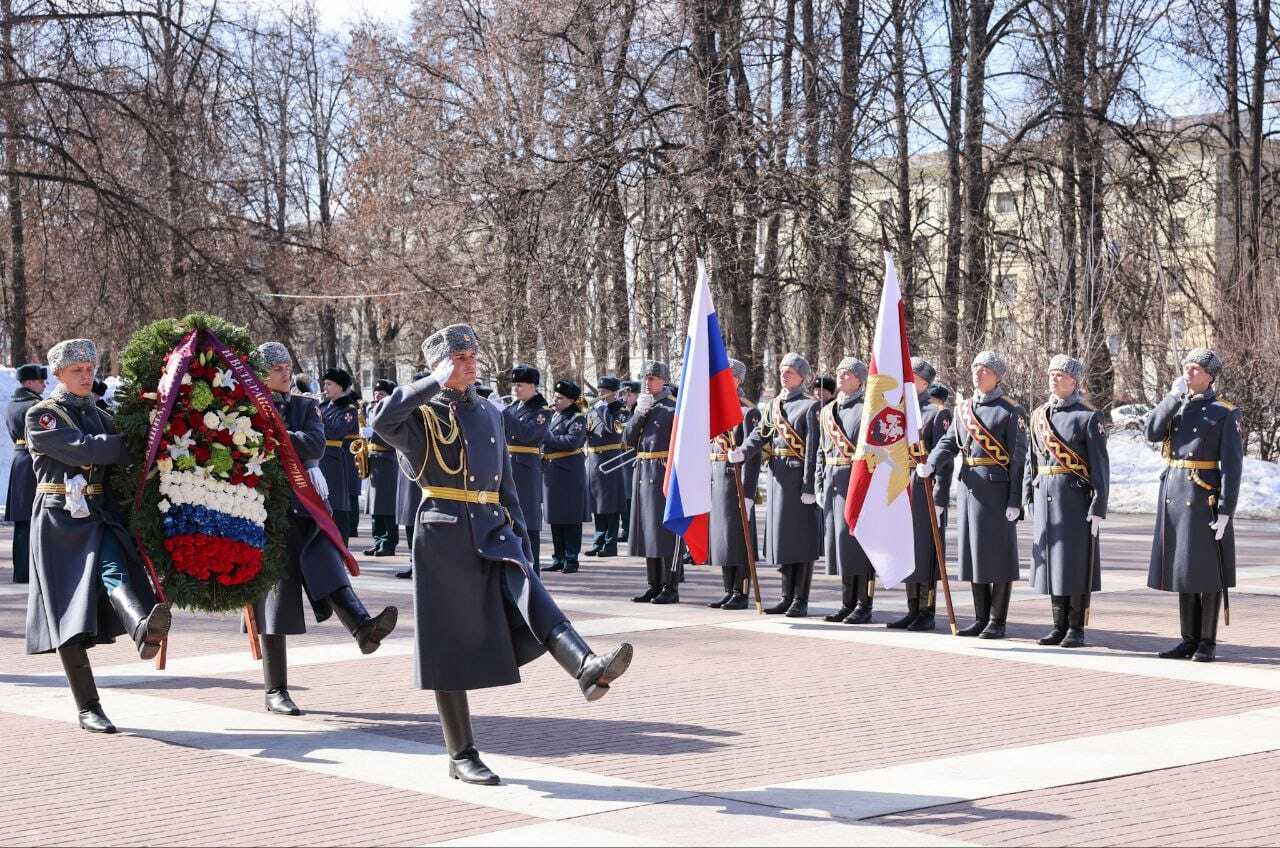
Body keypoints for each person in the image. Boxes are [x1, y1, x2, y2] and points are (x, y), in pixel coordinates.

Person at [369, 324, 633, 785]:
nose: (470, 364)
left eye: (472, 356)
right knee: (447, 642)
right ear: (440, 365)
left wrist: (524, 541)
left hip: (493, 524)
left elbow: (504, 481)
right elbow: (381, 421)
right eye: (460, 358)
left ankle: (585, 667)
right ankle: (461, 753)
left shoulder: (489, 412)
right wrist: (431, 381)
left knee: (529, 590)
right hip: (443, 531)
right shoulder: (421, 414)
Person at [24, 339, 172, 733]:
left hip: (97, 513)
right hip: (58, 520)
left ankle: (143, 629)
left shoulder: (101, 414)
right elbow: (84, 450)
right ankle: (88, 707)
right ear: (59, 374)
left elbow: (119, 460)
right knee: (67, 613)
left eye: (90, 369)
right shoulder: (43, 415)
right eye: (77, 370)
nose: (86, 375)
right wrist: (137, 443)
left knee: (113, 568)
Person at [254, 343, 399, 715]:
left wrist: (277, 436)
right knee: (275, 600)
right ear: (262, 374)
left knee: (328, 567)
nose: (286, 373)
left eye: (287, 366)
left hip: (306, 510)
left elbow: (315, 444)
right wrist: (287, 439)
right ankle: (275, 689)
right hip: (266, 514)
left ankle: (363, 628)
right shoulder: (249, 407)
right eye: (277, 368)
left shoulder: (304, 406)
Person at [919, 350, 1027, 638]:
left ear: (997, 376)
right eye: (976, 368)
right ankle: (981, 617)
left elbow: (1018, 460)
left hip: (997, 491)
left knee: (999, 556)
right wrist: (932, 461)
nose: (978, 373)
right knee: (974, 554)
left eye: (985, 370)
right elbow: (949, 442)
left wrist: (1015, 500)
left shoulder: (1010, 410)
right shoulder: (964, 409)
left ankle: (997, 620)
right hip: (970, 488)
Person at [1146, 348, 1241, 663]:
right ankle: (1188, 639)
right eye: (1186, 366)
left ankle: (1206, 642)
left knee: (1208, 571)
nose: (1188, 372)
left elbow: (1232, 467)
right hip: (1175, 494)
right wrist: (1171, 399)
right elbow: (1151, 432)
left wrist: (1226, 510)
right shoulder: (1178, 404)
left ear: (1210, 376)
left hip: (1203, 498)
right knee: (1183, 569)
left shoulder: (1224, 412)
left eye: (1196, 368)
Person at [1023, 355, 1109, 648]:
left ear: (1074, 380)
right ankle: (1058, 626)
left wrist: (1099, 506)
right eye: (1051, 374)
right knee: (1052, 564)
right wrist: (1027, 494)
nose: (1054, 378)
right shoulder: (1039, 415)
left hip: (1074, 499)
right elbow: (1031, 461)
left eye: (1060, 374)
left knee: (1074, 563)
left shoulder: (1088, 417)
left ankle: (1076, 627)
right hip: (1045, 497)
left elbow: (1100, 466)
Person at [732, 352, 822, 617]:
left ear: (802, 377)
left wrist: (810, 486)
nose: (784, 375)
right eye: (782, 370)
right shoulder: (773, 405)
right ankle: (786, 596)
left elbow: (813, 449)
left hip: (798, 480)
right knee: (783, 540)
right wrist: (743, 451)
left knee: (801, 541)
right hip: (778, 478)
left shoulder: (810, 406)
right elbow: (760, 434)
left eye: (789, 371)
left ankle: (800, 599)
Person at [813, 357, 877, 624]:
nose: (841, 376)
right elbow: (821, 450)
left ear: (860, 380)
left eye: (848, 373)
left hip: (856, 482)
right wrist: (818, 482)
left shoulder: (867, 409)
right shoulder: (828, 411)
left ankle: (863, 604)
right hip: (832, 482)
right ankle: (846, 602)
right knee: (840, 544)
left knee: (858, 544)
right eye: (839, 371)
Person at [893, 358, 954, 631]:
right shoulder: (900, 411)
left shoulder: (937, 413)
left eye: (910, 375)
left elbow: (945, 459)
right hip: (901, 486)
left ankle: (927, 611)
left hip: (924, 487)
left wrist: (940, 498)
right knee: (907, 548)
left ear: (924, 382)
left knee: (926, 551)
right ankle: (912, 609)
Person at [708, 359, 762, 610]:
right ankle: (728, 589)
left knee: (738, 540)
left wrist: (748, 493)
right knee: (723, 539)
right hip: (717, 479)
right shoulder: (715, 410)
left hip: (735, 482)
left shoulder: (748, 412)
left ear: (737, 380)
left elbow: (753, 457)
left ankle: (741, 592)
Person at [624, 361, 680, 603]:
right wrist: (638, 413)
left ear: (663, 380)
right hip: (643, 470)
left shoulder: (673, 407)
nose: (647, 382)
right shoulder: (643, 405)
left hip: (662, 471)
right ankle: (654, 584)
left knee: (664, 531)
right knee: (648, 529)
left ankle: (670, 586)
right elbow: (627, 439)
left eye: (652, 378)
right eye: (645, 378)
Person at [503, 364, 551, 571]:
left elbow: (529, 435)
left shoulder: (542, 410)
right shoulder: (514, 407)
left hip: (526, 469)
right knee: (508, 519)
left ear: (533, 386)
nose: (516, 389)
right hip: (509, 466)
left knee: (527, 520)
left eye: (520, 385)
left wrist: (505, 415)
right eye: (515, 385)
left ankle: (532, 571)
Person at [542, 380, 589, 574]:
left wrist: (546, 436)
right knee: (556, 516)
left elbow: (572, 441)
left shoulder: (577, 418)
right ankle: (558, 557)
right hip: (552, 471)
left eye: (560, 398)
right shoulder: (552, 415)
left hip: (569, 472)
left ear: (571, 400)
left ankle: (571, 559)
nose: (555, 400)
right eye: (555, 396)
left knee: (570, 517)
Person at [5, 363, 45, 583]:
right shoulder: (35, 405)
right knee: (34, 518)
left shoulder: (12, 405)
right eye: (40, 381)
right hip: (33, 461)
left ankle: (21, 570)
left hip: (19, 459)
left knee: (22, 520)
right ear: (29, 383)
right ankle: (32, 571)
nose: (43, 385)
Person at [585, 376, 628, 557]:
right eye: (600, 391)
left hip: (611, 459)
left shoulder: (621, 410)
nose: (600, 394)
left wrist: (603, 409)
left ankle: (610, 545)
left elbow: (615, 430)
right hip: (594, 460)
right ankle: (598, 540)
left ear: (613, 393)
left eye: (604, 391)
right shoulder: (594, 409)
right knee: (597, 504)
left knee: (610, 504)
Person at [318, 368, 359, 544]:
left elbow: (336, 432)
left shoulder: (348, 409)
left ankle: (340, 545)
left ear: (340, 387)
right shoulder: (323, 406)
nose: (325, 388)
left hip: (336, 461)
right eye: (325, 384)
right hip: (320, 460)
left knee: (337, 503)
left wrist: (318, 419)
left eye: (329, 384)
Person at [394, 373, 427, 579]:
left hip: (425, 471)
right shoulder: (406, 409)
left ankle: (425, 565)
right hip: (407, 468)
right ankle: (413, 561)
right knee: (408, 518)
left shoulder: (432, 410)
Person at [363, 379, 400, 556]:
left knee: (386, 504)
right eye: (376, 392)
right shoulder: (372, 410)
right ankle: (378, 540)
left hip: (388, 459)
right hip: (374, 460)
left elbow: (394, 437)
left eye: (382, 393)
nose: (377, 395)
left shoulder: (394, 412)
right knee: (374, 505)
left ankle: (388, 542)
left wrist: (374, 434)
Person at [618, 381, 639, 543]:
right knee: (625, 495)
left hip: (635, 455)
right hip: (622, 456)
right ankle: (626, 528)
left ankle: (634, 529)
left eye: (629, 394)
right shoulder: (621, 411)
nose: (626, 398)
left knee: (633, 495)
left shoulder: (640, 410)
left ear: (637, 395)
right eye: (624, 394)